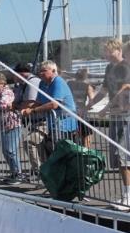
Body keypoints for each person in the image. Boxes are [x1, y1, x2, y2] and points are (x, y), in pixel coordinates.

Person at [87, 39, 130, 208]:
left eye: (108, 51)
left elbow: (124, 90)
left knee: (123, 156)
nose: (106, 55)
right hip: (115, 116)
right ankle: (126, 194)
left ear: (118, 50)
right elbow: (104, 90)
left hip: (125, 115)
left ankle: (128, 197)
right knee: (118, 157)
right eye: (105, 52)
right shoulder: (109, 68)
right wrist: (88, 106)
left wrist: (106, 108)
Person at [18, 60, 78, 162]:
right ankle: (47, 168)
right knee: (48, 148)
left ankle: (55, 169)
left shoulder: (58, 82)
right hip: (52, 124)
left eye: (44, 71)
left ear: (53, 71)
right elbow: (39, 102)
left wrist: (33, 111)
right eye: (40, 71)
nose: (40, 73)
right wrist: (24, 108)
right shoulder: (42, 83)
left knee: (56, 150)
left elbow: (54, 104)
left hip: (64, 124)